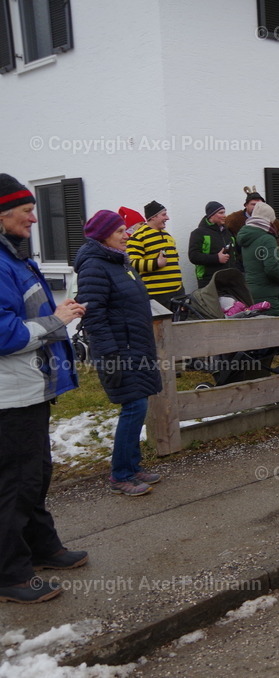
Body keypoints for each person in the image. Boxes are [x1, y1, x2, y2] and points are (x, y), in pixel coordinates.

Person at [0, 173, 88, 604]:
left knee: (35, 475)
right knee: (15, 483)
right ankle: (9, 573)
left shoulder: (14, 258)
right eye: (26, 210)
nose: (36, 218)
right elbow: (4, 334)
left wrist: (57, 314)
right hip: (8, 397)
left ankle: (42, 547)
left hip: (30, 389)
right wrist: (57, 320)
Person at [75, 210, 163, 497]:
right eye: (121, 232)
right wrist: (111, 353)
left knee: (140, 403)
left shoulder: (119, 261)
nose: (128, 235)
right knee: (134, 406)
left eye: (127, 230)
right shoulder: (94, 267)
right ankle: (120, 475)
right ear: (103, 236)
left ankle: (133, 466)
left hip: (136, 346)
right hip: (119, 350)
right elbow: (94, 315)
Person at [127, 200, 183, 307]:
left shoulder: (168, 236)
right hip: (156, 295)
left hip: (177, 292)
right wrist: (156, 263)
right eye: (164, 214)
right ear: (153, 217)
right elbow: (132, 263)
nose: (167, 218)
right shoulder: (138, 236)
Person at [238, 202, 279, 316]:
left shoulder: (247, 237)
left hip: (252, 290)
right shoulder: (267, 239)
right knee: (278, 330)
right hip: (270, 293)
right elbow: (271, 268)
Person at [188, 201, 238, 288]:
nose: (224, 215)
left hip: (229, 281)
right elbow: (193, 256)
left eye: (224, 212)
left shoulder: (228, 232)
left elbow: (235, 255)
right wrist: (216, 258)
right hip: (208, 282)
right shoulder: (198, 233)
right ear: (211, 215)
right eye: (221, 213)